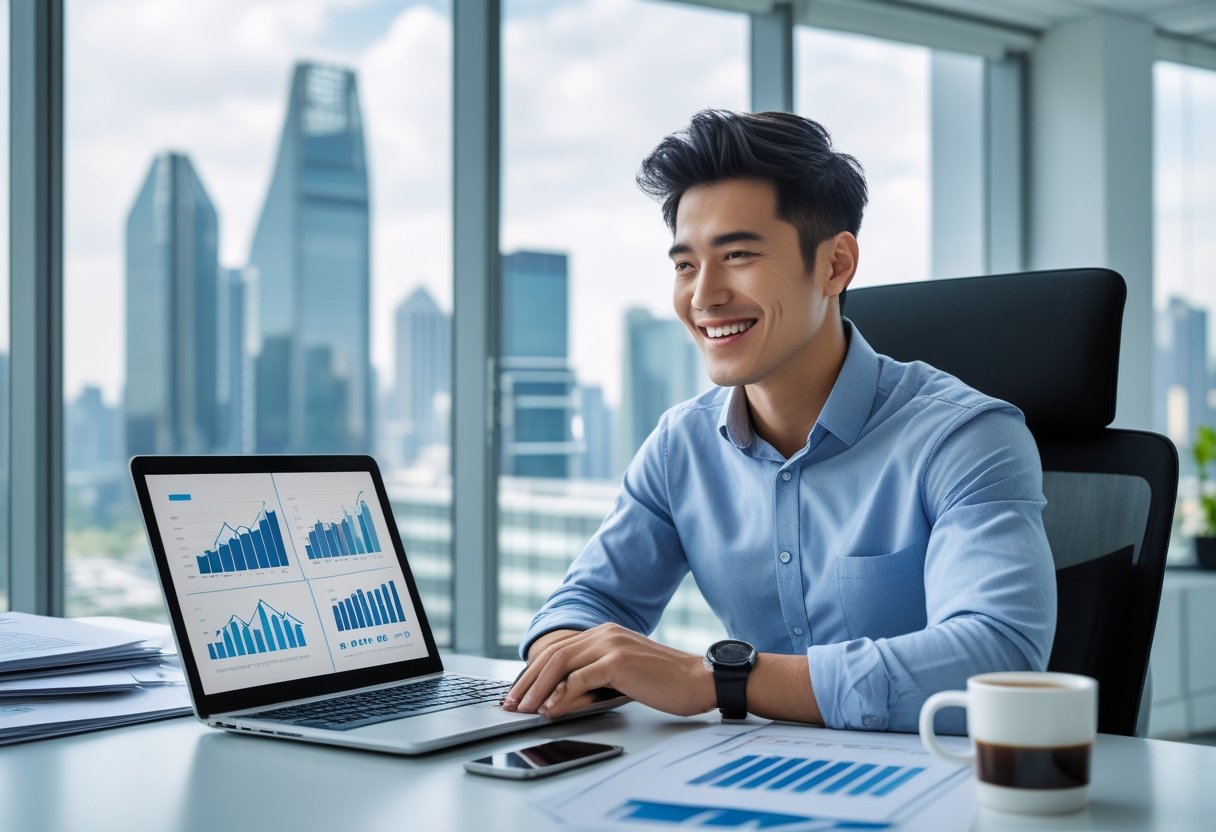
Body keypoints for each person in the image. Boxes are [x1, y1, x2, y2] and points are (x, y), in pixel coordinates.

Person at [502, 109, 1055, 733]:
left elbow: (999, 661)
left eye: (737, 254)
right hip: (760, 778)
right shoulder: (679, 445)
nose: (703, 296)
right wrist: (567, 660)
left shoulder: (965, 438)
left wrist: (714, 680)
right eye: (685, 265)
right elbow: (586, 602)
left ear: (836, 265)